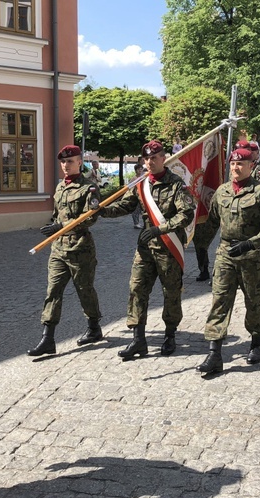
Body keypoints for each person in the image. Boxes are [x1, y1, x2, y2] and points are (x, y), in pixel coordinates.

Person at [100, 140, 196, 358]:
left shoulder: (176, 185)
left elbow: (186, 214)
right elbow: (125, 206)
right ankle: (138, 340)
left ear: (163, 158)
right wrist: (101, 210)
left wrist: (160, 229)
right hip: (145, 250)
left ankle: (170, 335)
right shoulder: (140, 184)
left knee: (171, 293)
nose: (150, 162)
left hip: (169, 249)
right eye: (146, 158)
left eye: (154, 158)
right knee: (137, 290)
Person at [196, 148, 260, 374]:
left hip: (251, 255)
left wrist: (252, 243)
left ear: (251, 166)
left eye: (241, 164)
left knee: (254, 300)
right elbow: (212, 221)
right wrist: (198, 244)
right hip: (225, 254)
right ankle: (214, 352)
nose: (235, 167)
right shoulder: (222, 192)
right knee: (220, 300)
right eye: (233, 164)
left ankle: (256, 341)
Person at [27, 145, 104, 357]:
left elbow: (91, 217)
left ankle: (94, 327)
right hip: (59, 249)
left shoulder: (89, 188)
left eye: (70, 161)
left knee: (84, 290)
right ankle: (47, 338)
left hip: (80, 249)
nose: (65, 165)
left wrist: (61, 226)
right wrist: (53, 226)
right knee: (53, 291)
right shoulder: (60, 186)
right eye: (63, 162)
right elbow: (56, 214)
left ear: (80, 162)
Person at [131, 159, 144, 229]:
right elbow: (131, 187)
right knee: (136, 210)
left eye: (141, 169)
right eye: (138, 169)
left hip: (142, 195)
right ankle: (136, 223)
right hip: (136, 196)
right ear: (135, 170)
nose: (140, 170)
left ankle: (139, 222)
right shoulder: (134, 178)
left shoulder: (143, 177)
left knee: (142, 210)